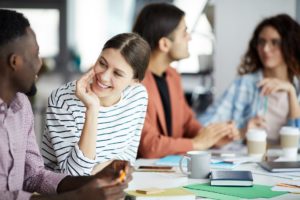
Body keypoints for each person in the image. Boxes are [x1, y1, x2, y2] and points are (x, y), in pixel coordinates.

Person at [0, 9, 132, 200]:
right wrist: (77, 197)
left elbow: (34, 176)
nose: (41, 64)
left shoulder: (21, 106)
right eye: (36, 55)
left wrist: (93, 180)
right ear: (15, 62)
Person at [132, 3, 239, 158]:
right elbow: (150, 146)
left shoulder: (172, 76)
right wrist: (197, 144)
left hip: (170, 169)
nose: (190, 38)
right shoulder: (134, 83)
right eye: (184, 33)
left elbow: (188, 123)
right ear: (164, 44)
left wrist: (214, 137)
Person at [41, 32, 150, 175]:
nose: (104, 77)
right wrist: (92, 109)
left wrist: (98, 173)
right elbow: (75, 176)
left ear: (135, 81)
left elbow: (127, 158)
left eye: (117, 73)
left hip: (109, 187)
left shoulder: (138, 96)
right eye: (102, 63)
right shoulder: (63, 99)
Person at [200, 14, 300, 143]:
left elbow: (297, 142)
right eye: (261, 42)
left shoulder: (296, 87)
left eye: (275, 42)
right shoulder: (244, 84)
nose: (265, 49)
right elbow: (203, 127)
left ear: (290, 46)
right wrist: (242, 131)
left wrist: (291, 92)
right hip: (252, 159)